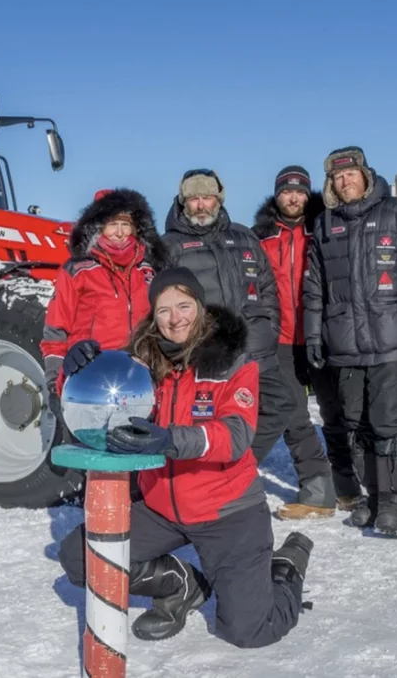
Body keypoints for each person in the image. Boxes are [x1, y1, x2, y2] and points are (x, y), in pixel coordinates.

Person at [56, 268, 313, 648]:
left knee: (247, 631)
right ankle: (183, 585)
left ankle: (285, 567)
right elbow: (95, 401)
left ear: (200, 308)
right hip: (162, 509)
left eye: (184, 306)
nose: (175, 319)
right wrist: (76, 369)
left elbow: (235, 436)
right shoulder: (143, 362)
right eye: (163, 310)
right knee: (80, 558)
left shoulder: (233, 363)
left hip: (228, 513)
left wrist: (168, 440)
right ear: (154, 317)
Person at [162, 168, 336, 516]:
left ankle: (234, 470)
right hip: (207, 354)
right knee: (211, 424)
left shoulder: (242, 237)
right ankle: (203, 487)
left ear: (219, 199)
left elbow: (267, 287)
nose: (200, 204)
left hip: (257, 348)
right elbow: (163, 304)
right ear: (183, 201)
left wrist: (268, 329)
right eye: (193, 197)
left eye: (207, 196)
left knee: (283, 405)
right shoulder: (169, 246)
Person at [302, 146, 397, 536]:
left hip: (391, 340)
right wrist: (314, 333)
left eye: (351, 174)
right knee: (356, 424)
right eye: (337, 177)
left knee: (390, 423)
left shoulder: (396, 213)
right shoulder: (325, 225)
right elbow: (314, 288)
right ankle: (374, 497)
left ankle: (395, 504)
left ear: (365, 175)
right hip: (344, 345)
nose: (345, 182)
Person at [253, 165, 357, 518]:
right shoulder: (261, 237)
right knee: (294, 413)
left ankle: (349, 487)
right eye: (286, 191)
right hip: (280, 339)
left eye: (299, 191)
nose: (293, 198)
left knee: (335, 413)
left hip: (323, 335)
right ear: (276, 195)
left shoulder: (325, 228)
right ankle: (316, 489)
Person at [41, 188, 167, 401]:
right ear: (98, 227)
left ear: (135, 228)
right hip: (89, 374)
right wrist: (55, 380)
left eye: (125, 224)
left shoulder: (148, 269)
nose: (119, 232)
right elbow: (56, 329)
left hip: (139, 376)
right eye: (112, 224)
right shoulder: (77, 270)